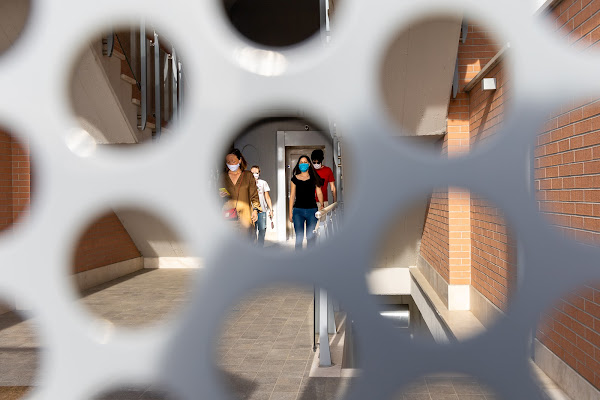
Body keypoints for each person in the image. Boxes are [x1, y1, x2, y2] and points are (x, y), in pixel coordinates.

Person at [221, 149, 261, 237]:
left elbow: (254, 195)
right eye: (228, 161)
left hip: (245, 216)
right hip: (228, 216)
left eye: (233, 161)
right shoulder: (222, 177)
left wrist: (255, 210)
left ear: (239, 160)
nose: (231, 163)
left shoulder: (248, 175)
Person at [289, 155, 324, 250]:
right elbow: (292, 196)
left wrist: (321, 204)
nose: (303, 164)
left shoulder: (314, 178)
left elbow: (319, 192)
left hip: (312, 211)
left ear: (309, 164)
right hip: (298, 211)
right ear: (298, 164)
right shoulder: (294, 179)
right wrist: (290, 212)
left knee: (311, 238)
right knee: (299, 238)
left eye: (305, 162)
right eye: (301, 162)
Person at [250, 165, 273, 246]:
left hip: (262, 210)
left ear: (259, 173)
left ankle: (260, 247)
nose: (254, 174)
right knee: (252, 232)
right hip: (251, 211)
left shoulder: (263, 183)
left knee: (262, 230)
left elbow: (267, 197)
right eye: (252, 173)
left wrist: (271, 209)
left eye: (256, 173)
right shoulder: (247, 184)